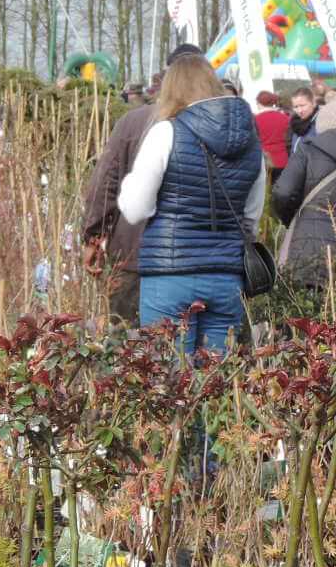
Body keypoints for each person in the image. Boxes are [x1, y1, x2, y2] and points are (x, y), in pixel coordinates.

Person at [116, 54, 266, 353]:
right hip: (226, 275)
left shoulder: (166, 133)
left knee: (169, 374)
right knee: (218, 376)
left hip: (170, 274)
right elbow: (251, 217)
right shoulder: (251, 143)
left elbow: (135, 209)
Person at [82, 43, 202, 325]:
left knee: (129, 341)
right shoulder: (216, 126)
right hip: (197, 259)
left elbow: (105, 184)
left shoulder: (133, 122)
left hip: (134, 252)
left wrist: (93, 236)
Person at [273, 95, 336, 289]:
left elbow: (283, 192)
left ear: (320, 124)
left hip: (303, 241)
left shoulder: (307, 150)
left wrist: (290, 218)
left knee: (300, 302)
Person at [254, 91, 291, 185]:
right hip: (283, 160)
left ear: (259, 103)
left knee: (266, 191)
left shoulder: (255, 120)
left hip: (264, 161)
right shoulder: (285, 118)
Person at [286, 87, 318, 159]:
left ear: (313, 103)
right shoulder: (295, 123)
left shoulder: (321, 122)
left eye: (302, 105)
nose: (299, 110)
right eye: (296, 107)